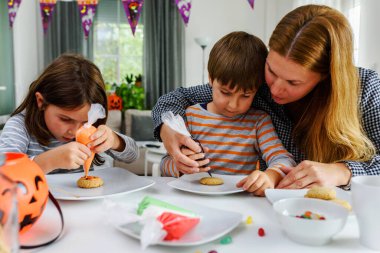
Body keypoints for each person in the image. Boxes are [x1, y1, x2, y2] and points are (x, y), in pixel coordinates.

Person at [152, 4, 380, 190]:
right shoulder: (255, 87)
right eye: (271, 70)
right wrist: (166, 127)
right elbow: (177, 98)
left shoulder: (367, 90)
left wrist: (343, 171)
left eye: (293, 82)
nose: (275, 89)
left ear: (325, 77)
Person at [160, 32, 296, 195]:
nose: (233, 105)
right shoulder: (190, 116)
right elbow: (164, 163)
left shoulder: (259, 121)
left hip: (240, 200)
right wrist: (179, 166)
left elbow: (284, 159)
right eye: (225, 92)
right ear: (211, 79)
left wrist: (271, 176)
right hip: (193, 200)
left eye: (246, 95)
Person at [0, 54, 139, 174]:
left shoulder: (90, 130)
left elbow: (133, 156)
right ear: (41, 101)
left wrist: (115, 141)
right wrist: (49, 161)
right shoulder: (20, 127)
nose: (75, 131)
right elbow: (4, 173)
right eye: (65, 119)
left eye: (85, 122)